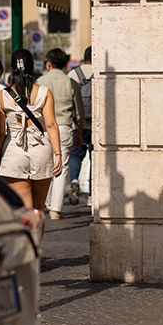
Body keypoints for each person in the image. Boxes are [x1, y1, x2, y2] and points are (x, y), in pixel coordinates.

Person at [0, 48, 63, 235]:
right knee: (39, 210)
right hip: (41, 150)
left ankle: (26, 253)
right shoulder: (45, 92)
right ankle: (36, 252)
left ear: (10, 69)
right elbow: (51, 125)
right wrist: (58, 154)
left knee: (25, 209)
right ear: (33, 67)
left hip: (13, 152)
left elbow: (0, 133)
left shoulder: (3, 95)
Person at [37, 48, 84, 219]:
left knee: (45, 167)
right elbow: (79, 111)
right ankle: (56, 209)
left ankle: (45, 203)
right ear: (65, 65)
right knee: (61, 168)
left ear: (48, 63)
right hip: (64, 127)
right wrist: (79, 131)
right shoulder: (71, 82)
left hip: (43, 128)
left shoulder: (40, 81)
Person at [68, 46, 93, 206]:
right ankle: (92, 194)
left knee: (76, 155)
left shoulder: (73, 74)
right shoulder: (100, 71)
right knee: (95, 157)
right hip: (97, 123)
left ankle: (74, 180)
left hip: (78, 123)